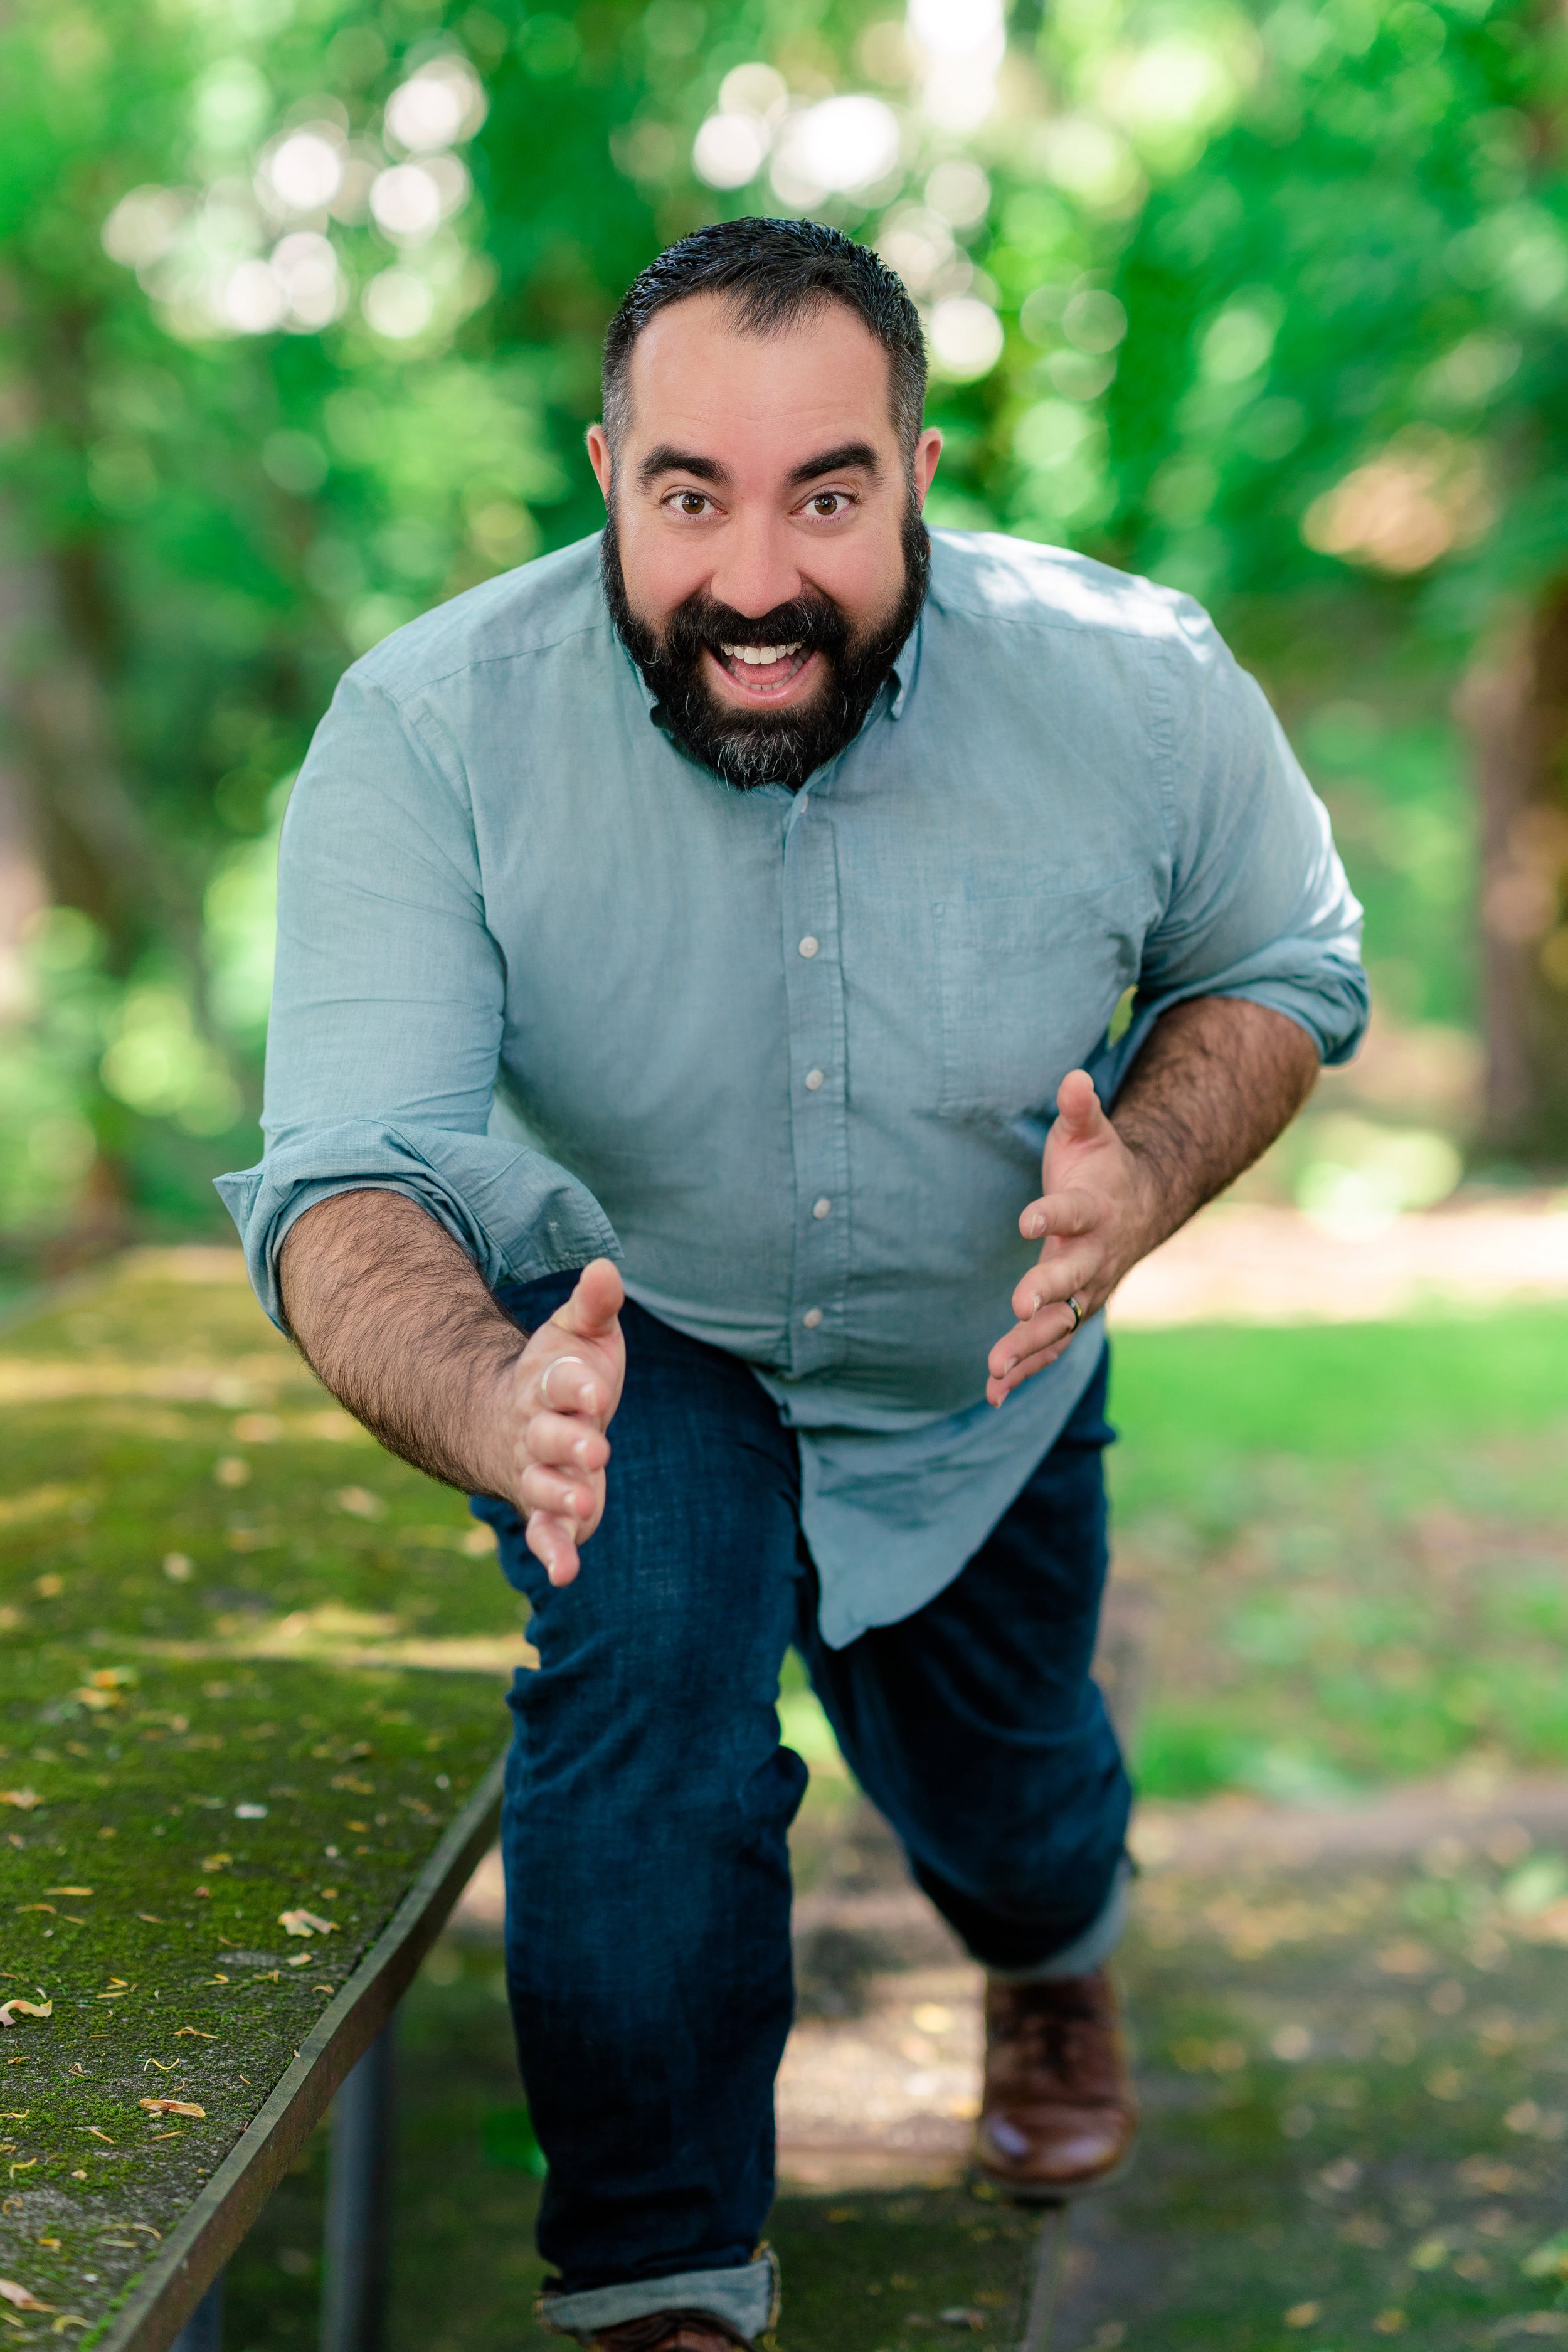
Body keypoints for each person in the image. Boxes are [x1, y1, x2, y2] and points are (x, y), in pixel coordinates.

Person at [220, 217, 1367, 2352]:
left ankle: (1050, 1957)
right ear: (606, 477)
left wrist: (1149, 1173)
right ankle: (659, 2289)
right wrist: (488, 1404)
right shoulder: (430, 730)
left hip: (978, 1365)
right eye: (691, 496)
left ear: (916, 473)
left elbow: (1280, 959)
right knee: (646, 1642)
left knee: (1005, 1800)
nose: (755, 578)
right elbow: (348, 1175)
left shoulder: (1134, 683)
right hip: (632, 1331)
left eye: (824, 497)